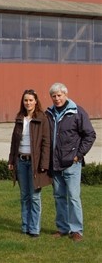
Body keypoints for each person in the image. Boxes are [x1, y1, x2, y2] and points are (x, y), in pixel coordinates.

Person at [46, 83, 96, 242]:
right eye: (54, 96)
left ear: (65, 95)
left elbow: (90, 135)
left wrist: (78, 155)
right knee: (59, 196)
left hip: (71, 164)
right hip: (55, 164)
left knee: (73, 197)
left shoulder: (77, 112)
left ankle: (76, 230)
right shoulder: (49, 113)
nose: (57, 99)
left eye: (59, 95)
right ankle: (62, 228)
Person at [8, 89, 52, 238]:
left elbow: (46, 143)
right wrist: (11, 160)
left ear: (36, 101)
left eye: (31, 100)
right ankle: (25, 226)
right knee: (24, 196)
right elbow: (14, 141)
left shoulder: (42, 118)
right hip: (21, 161)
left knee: (34, 196)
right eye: (25, 100)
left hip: (35, 163)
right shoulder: (20, 118)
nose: (28, 103)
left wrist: (44, 163)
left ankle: (34, 229)